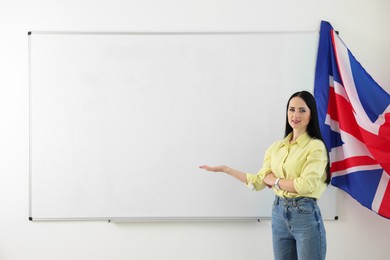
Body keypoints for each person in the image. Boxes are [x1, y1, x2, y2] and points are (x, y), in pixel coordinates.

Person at [199, 90, 330, 260]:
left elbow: (305, 185)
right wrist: (226, 169)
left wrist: (275, 180)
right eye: (291, 109)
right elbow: (259, 182)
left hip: (305, 215)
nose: (295, 115)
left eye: (302, 110)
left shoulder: (315, 147)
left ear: (311, 115)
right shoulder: (276, 148)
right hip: (279, 213)